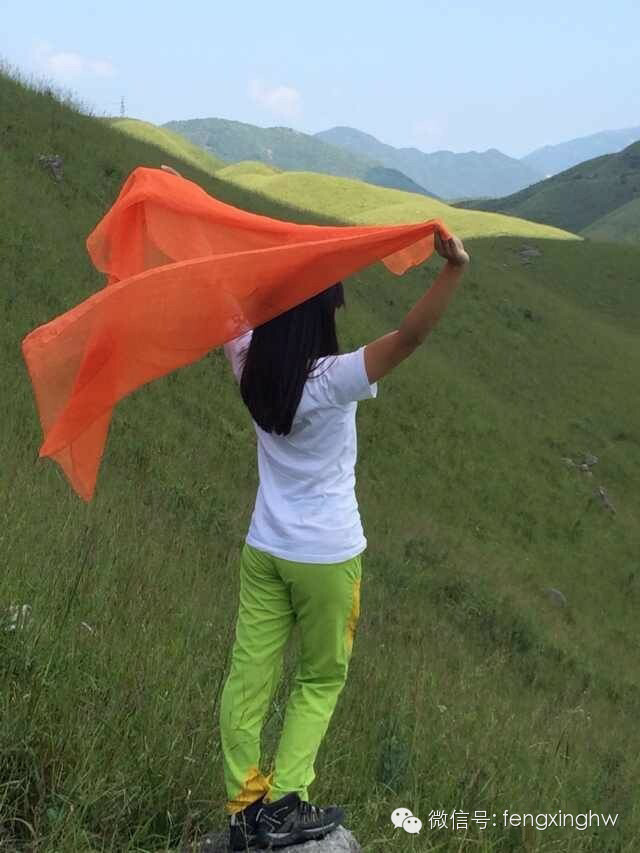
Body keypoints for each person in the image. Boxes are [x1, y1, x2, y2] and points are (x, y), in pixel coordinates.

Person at [218, 242, 470, 845]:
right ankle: (286, 803)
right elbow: (409, 337)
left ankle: (244, 808)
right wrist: (454, 268)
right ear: (319, 318)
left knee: (249, 675)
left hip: (265, 547)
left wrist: (200, 231)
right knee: (320, 678)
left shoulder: (248, 362)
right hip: (328, 558)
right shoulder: (332, 380)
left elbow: (226, 303)